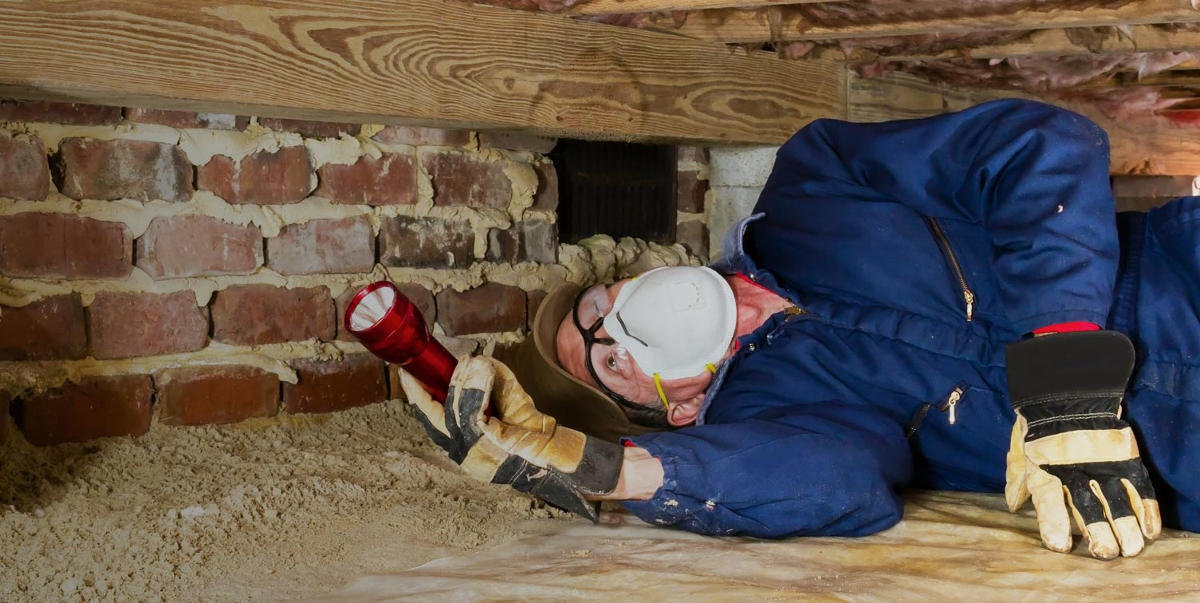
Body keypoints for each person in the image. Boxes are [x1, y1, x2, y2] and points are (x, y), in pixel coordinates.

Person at [400, 99, 1200, 561]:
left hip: (1175, 273)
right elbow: (841, 480)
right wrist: (601, 468)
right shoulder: (770, 416)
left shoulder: (813, 181)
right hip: (1170, 454)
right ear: (676, 409)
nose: (618, 326)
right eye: (606, 360)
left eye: (598, 307)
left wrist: (1064, 375)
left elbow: (1040, 148)